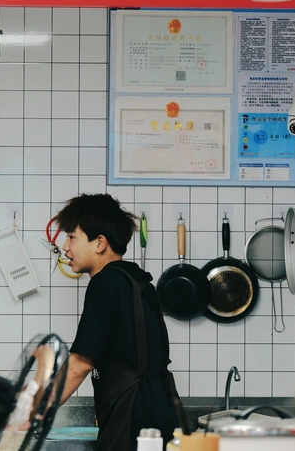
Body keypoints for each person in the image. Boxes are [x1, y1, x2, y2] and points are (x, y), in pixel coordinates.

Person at [53, 193, 179, 451]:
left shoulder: (106, 283)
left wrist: (35, 411)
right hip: (154, 415)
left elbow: (79, 364)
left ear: (100, 243)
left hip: (131, 421)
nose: (65, 246)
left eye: (72, 237)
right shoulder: (137, 282)